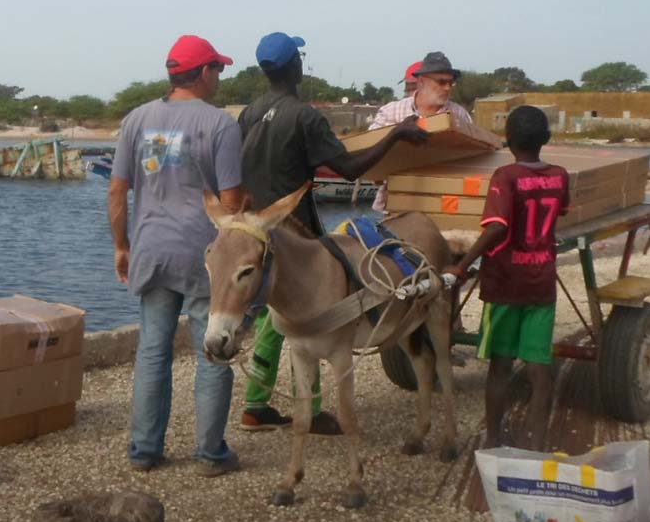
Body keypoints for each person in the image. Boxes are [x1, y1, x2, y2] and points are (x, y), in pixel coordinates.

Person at [237, 32, 429, 433]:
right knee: (309, 318)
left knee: (272, 314)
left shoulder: (251, 112)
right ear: (296, 66)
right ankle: (315, 408)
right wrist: (396, 135)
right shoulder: (304, 115)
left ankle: (257, 402)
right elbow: (350, 169)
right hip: (295, 233)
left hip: (256, 228)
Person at [110, 34, 246, 477]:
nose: (220, 79)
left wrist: (121, 244)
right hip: (204, 254)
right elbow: (231, 201)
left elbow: (117, 191)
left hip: (151, 248)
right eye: (218, 70)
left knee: (152, 350)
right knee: (213, 351)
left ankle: (144, 450)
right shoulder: (221, 124)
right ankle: (210, 455)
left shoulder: (136, 119)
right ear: (203, 72)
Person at [443, 106, 568, 451]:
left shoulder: (505, 176)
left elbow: (497, 227)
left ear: (507, 141)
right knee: (538, 366)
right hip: (541, 280)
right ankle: (536, 443)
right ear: (546, 139)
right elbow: (561, 212)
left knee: (500, 364)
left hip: (505, 283)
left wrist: (463, 263)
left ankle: (495, 440)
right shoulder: (560, 175)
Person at [369, 51, 475, 212]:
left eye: (450, 83)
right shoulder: (390, 112)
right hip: (394, 206)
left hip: (442, 205)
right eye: (441, 82)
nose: (447, 88)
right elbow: (369, 154)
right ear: (421, 82)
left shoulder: (459, 115)